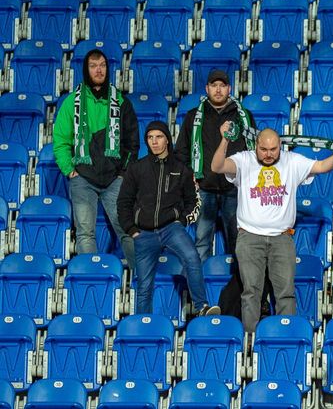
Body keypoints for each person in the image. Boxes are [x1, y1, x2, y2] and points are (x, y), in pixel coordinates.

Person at [211, 126, 333, 332]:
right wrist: (223, 140)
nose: (268, 154)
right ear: (256, 146)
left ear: (280, 146)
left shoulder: (292, 160)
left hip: (282, 239)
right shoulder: (244, 159)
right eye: (264, 149)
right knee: (251, 293)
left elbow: (322, 166)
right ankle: (252, 342)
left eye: (273, 149)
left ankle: (287, 336)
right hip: (249, 238)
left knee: (285, 292)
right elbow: (217, 166)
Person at [117, 121, 220, 316]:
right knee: (144, 284)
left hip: (171, 229)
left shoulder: (181, 169)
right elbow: (123, 202)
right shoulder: (137, 168)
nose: (154, 142)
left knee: (192, 257)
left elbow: (193, 201)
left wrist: (181, 221)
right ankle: (143, 324)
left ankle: (202, 307)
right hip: (144, 233)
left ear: (167, 139)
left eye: (159, 137)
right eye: (150, 138)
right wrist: (132, 229)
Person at [53, 49, 139, 269]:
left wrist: (123, 173)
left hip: (114, 179)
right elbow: (61, 140)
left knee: (127, 229)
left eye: (102, 65)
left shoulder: (121, 102)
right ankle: (91, 278)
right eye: (93, 66)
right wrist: (69, 169)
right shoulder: (72, 102)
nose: (99, 70)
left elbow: (132, 143)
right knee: (84, 233)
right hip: (83, 178)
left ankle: (142, 281)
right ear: (86, 70)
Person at [176, 69, 256, 260]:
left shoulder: (244, 116)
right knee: (201, 241)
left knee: (238, 241)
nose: (218, 90)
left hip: (234, 188)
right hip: (204, 187)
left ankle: (236, 286)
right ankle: (198, 287)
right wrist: (189, 179)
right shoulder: (193, 116)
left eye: (222, 85)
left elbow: (253, 152)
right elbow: (181, 152)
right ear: (207, 88)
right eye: (214, 85)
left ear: (229, 88)